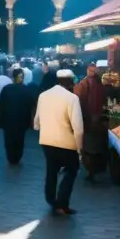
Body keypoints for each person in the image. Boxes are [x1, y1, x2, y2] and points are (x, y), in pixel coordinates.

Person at [35, 69, 84, 215]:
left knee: (52, 170)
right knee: (71, 170)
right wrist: (79, 148)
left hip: (46, 141)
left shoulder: (43, 96)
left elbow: (36, 123)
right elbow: (78, 128)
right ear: (69, 80)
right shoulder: (72, 98)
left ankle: (51, 199)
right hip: (66, 143)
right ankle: (62, 203)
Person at [0, 67, 37, 164]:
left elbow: (1, 105)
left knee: (9, 139)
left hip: (8, 120)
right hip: (22, 120)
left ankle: (11, 158)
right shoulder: (26, 90)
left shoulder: (7, 89)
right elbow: (31, 105)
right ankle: (17, 157)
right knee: (20, 139)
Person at [74, 62, 109, 183]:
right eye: (90, 71)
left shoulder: (89, 84)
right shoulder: (87, 84)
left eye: (93, 71)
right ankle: (92, 170)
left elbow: (77, 99)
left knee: (90, 148)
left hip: (90, 121)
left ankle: (91, 170)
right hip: (92, 121)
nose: (91, 73)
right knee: (92, 148)